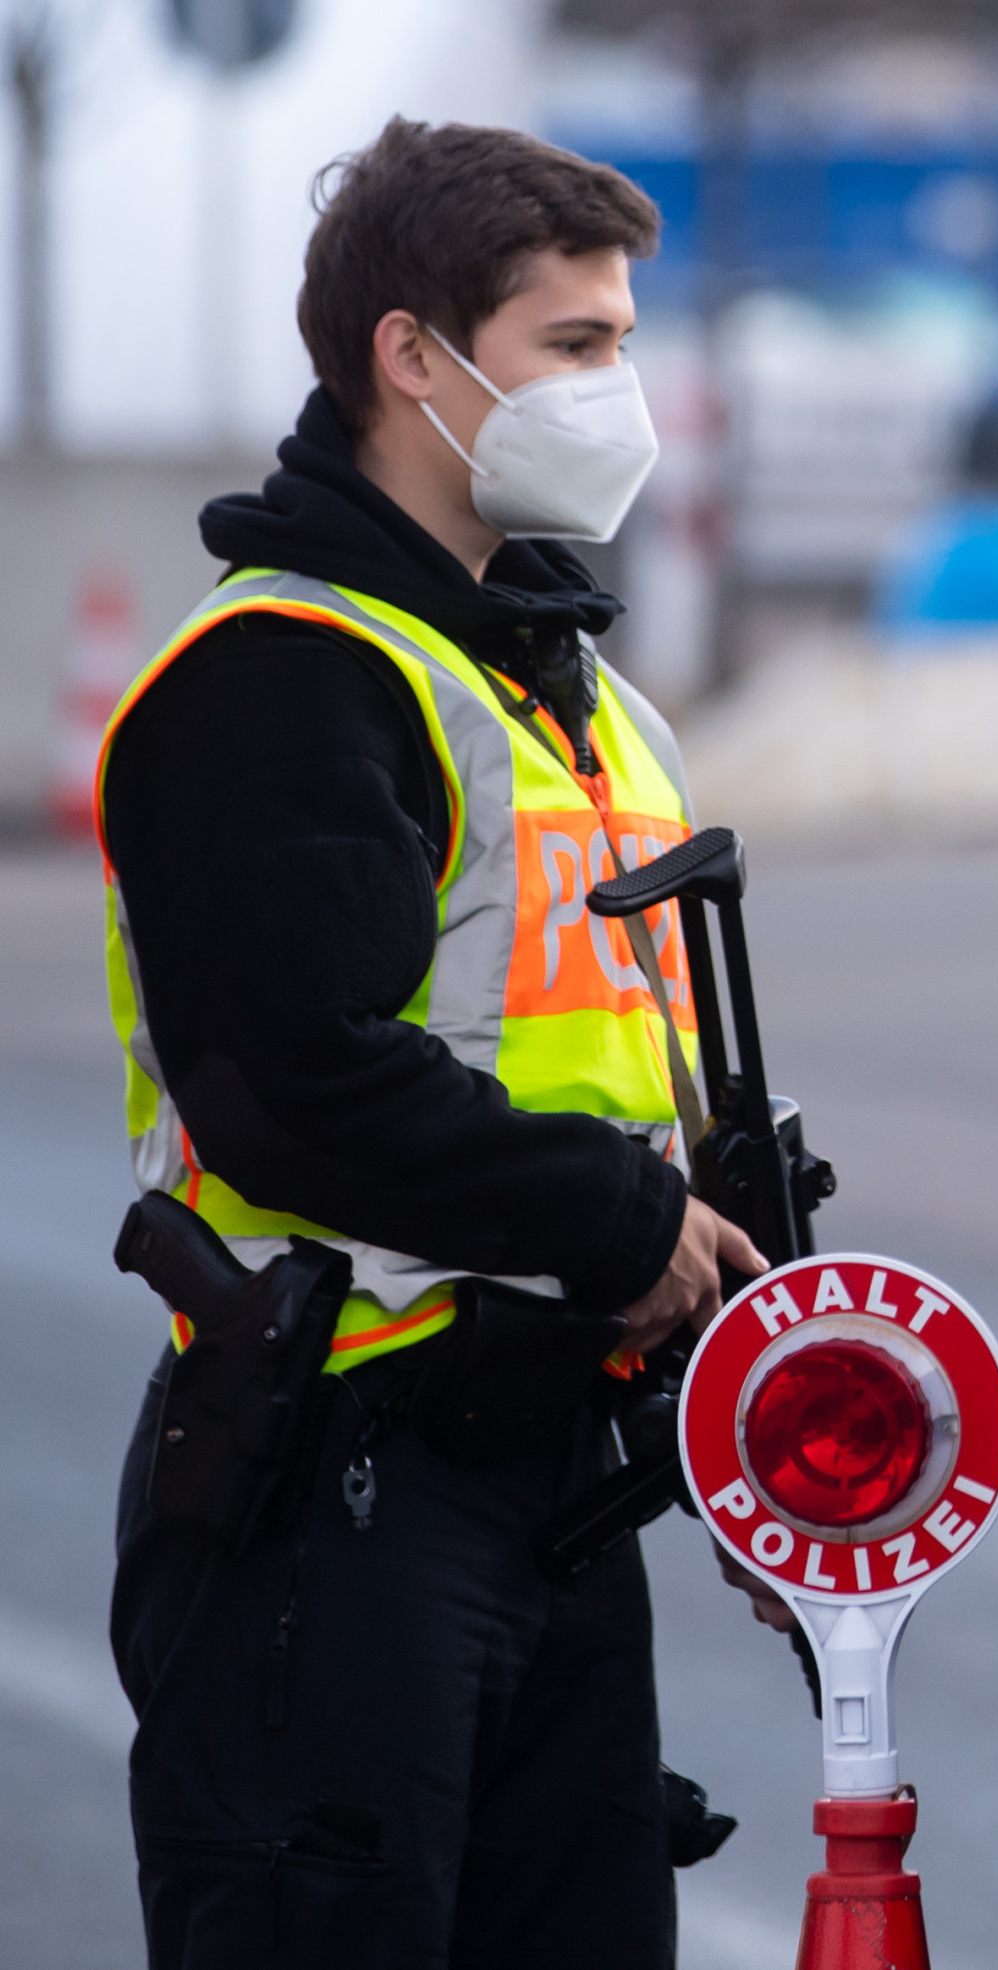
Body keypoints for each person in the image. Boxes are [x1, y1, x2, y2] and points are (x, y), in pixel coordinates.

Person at [98, 117, 766, 1969]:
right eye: (577, 346)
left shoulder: (575, 692)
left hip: (552, 1477)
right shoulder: (283, 677)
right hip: (338, 1481)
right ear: (414, 356)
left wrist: (727, 1262)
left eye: (625, 339)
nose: (621, 389)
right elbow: (291, 1078)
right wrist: (617, 1221)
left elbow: (628, 1062)